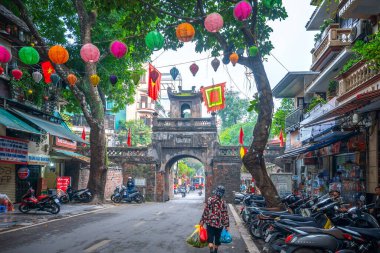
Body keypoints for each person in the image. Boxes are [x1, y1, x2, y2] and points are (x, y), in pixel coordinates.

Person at [200, 185, 229, 253]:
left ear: (216, 192)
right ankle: (215, 251)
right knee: (217, 239)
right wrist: (227, 225)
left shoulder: (210, 199)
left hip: (210, 223)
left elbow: (206, 211)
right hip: (220, 224)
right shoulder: (223, 202)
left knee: (210, 239)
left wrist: (202, 221)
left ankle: (211, 251)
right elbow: (225, 215)